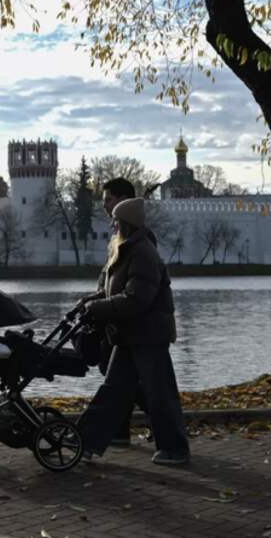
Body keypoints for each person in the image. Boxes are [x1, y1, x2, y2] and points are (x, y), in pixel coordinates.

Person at [77, 197, 190, 465]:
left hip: (149, 335)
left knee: (159, 393)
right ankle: (85, 442)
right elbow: (115, 291)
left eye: (115, 222)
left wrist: (98, 307)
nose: (112, 226)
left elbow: (137, 299)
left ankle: (175, 449)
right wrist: (91, 300)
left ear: (126, 224)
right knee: (114, 390)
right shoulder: (127, 250)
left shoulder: (142, 253)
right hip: (130, 334)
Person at [75, 178, 145, 446]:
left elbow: (133, 290)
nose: (104, 205)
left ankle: (165, 428)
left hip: (125, 321)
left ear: (123, 201)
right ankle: (120, 431)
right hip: (113, 318)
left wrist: (99, 304)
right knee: (118, 377)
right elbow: (111, 281)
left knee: (119, 379)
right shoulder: (121, 236)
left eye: (108, 199)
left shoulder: (137, 240)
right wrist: (93, 298)